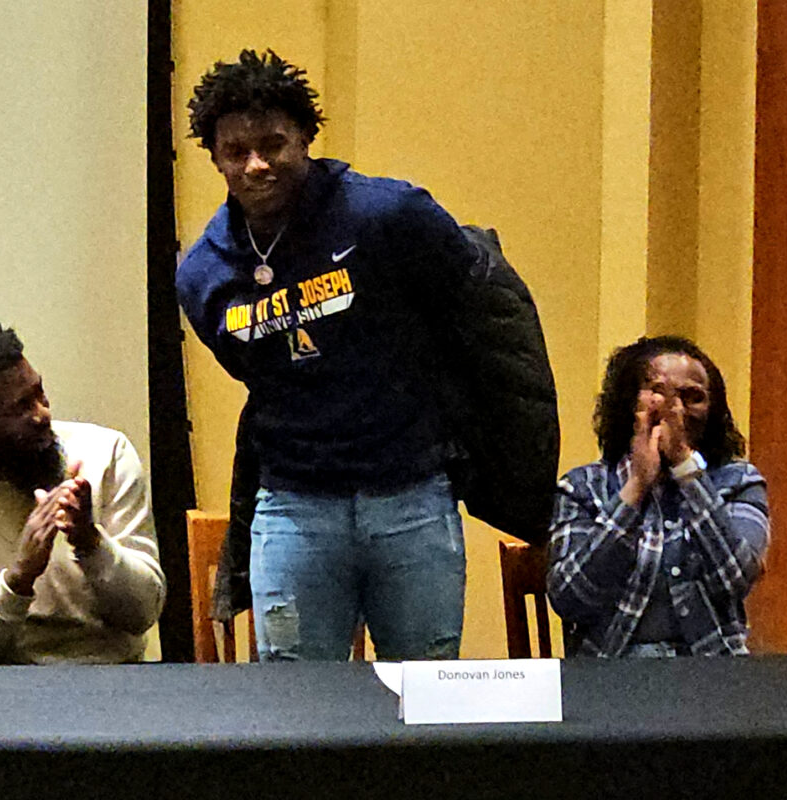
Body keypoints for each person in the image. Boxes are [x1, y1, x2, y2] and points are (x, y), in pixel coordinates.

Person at [176, 50, 558, 661]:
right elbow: (261, 375)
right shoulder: (203, 273)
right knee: (295, 710)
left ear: (305, 136)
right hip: (292, 506)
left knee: (426, 695)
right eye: (236, 151)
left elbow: (477, 308)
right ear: (215, 157)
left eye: (273, 143)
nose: (256, 165)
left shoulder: (389, 215)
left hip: (411, 496)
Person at [0, 321, 166, 664]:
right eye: (18, 408)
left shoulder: (105, 453)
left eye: (39, 393)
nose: (42, 415)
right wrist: (19, 577)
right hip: (1, 698)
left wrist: (91, 543)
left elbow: (143, 613)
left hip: (116, 679)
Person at [547, 335, 769, 657]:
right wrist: (635, 488)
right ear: (628, 403)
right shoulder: (582, 487)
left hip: (712, 674)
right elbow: (570, 597)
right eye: (658, 393)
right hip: (612, 674)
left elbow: (734, 577)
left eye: (692, 397)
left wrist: (684, 467)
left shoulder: (738, 481)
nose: (675, 409)